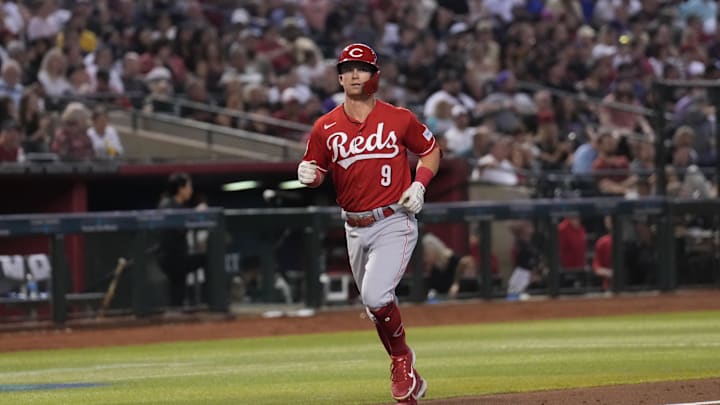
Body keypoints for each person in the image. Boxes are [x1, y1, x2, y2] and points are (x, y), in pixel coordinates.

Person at [297, 43, 440, 404]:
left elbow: (430, 150)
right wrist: (309, 174)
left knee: (377, 297)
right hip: (353, 226)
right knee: (375, 307)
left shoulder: (398, 117)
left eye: (362, 67)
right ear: (340, 76)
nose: (355, 73)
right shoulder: (324, 126)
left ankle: (401, 358)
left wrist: (420, 185)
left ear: (374, 75)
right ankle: (410, 377)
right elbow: (316, 172)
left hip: (394, 218)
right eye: (348, 68)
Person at [155, 172, 207, 308]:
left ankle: (175, 314)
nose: (190, 190)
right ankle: (212, 302)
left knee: (177, 291)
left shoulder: (174, 204)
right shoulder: (168, 205)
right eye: (188, 186)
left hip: (175, 255)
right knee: (207, 259)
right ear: (180, 188)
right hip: (171, 257)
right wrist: (196, 214)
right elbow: (180, 227)